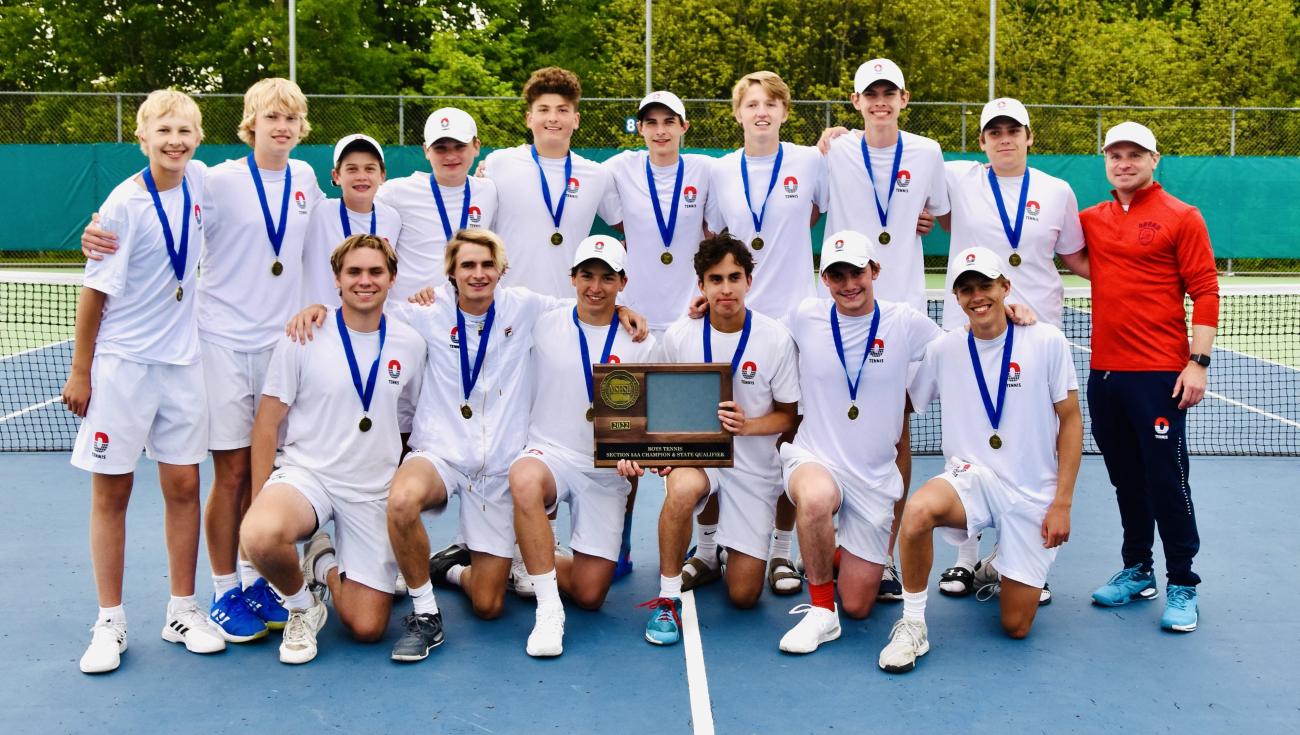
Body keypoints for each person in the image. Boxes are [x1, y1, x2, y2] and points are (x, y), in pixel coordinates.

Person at [298, 229, 642, 662]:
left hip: (498, 467)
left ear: (501, 270)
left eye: (486, 265)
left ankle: (452, 568)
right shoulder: (425, 312)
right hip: (440, 455)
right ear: (451, 273)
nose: (477, 274)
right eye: (467, 266)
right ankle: (425, 613)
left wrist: (625, 309)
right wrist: (321, 312)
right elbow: (364, 311)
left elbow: (591, 308)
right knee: (402, 499)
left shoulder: (528, 307)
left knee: (488, 604)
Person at [80, 79, 326, 641]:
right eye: (270, 117)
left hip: (283, 348)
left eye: (291, 118)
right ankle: (222, 592)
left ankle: (255, 575)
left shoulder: (307, 179)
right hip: (215, 344)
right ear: (250, 123)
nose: (281, 127)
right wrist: (98, 230)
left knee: (271, 473)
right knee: (232, 472)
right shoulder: (212, 179)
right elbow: (149, 196)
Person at [64, 89, 224, 673]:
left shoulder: (202, 181)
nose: (175, 141)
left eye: (184, 131)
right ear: (143, 138)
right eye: (164, 133)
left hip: (183, 365)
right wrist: (82, 369)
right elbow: (94, 293)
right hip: (123, 366)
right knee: (114, 492)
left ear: (198, 137)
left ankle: (182, 609)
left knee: (184, 487)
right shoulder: (122, 206)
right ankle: (110, 621)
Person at [880, 246, 1081, 672]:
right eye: (966, 289)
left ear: (1005, 287)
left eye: (985, 285)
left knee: (1016, 625)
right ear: (956, 298)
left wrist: (1062, 502)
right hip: (971, 479)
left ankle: (997, 563)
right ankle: (913, 624)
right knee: (917, 512)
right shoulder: (943, 349)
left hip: (1031, 492)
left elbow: (1071, 420)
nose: (977, 296)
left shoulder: (1046, 341)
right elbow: (901, 404)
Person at [241, 234, 425, 664]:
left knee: (367, 627)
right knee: (260, 535)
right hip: (308, 475)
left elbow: (415, 421)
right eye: (354, 272)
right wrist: (257, 500)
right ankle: (303, 607)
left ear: (392, 278)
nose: (365, 281)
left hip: (370, 489)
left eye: (375, 272)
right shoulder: (303, 334)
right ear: (337, 280)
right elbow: (267, 422)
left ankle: (321, 561)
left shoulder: (411, 343)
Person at [935, 97, 1087, 599]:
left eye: (1013, 130)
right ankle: (964, 558)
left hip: (1037, 332)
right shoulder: (958, 179)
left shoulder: (1057, 190)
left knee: (1033, 449)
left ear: (1029, 136)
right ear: (981, 141)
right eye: (993, 131)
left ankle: (1021, 561)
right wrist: (837, 137)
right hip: (975, 326)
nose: (1004, 138)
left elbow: (1076, 256)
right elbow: (905, 170)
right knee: (969, 440)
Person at [818, 58, 950, 602]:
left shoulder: (929, 152)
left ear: (904, 98)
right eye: (870, 94)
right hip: (841, 308)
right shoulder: (832, 150)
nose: (880, 102)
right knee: (826, 426)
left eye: (889, 93)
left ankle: (886, 553)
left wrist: (917, 217)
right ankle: (823, 542)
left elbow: (938, 212)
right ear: (854, 102)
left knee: (897, 431)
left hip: (902, 311)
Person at [629, 233, 800, 647]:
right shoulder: (681, 337)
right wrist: (663, 452)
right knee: (682, 489)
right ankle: (669, 597)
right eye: (716, 279)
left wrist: (747, 425)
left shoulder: (775, 338)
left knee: (743, 596)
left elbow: (789, 415)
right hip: (700, 459)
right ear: (701, 285)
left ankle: (721, 554)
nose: (726, 288)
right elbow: (664, 400)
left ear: (749, 281)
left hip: (753, 468)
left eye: (734, 277)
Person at [1080, 122, 1218, 633]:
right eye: (1114, 154)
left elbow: (1205, 290)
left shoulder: (1182, 216)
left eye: (1134, 154)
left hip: (1160, 374)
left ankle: (1183, 581)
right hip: (1105, 376)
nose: (1123, 162)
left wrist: (1197, 363)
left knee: (1166, 479)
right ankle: (1138, 568)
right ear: (1105, 161)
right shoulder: (1091, 219)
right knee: (1125, 480)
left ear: (1153, 158)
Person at [776, 230, 942, 654]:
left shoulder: (904, 321)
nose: (849, 284)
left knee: (858, 605)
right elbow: (756, 337)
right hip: (815, 457)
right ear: (825, 279)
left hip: (872, 476)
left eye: (857, 272)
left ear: (875, 271)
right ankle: (819, 613)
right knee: (814, 501)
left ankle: (831, 557)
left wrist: (1007, 313)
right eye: (837, 275)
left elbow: (959, 347)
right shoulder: (804, 316)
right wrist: (705, 311)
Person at [703, 70, 827, 595]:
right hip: (736, 318)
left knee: (787, 432)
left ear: (783, 112)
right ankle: (707, 547)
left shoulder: (811, 161)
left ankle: (781, 549)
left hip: (795, 318)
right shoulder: (718, 171)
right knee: (715, 423)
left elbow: (821, 210)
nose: (761, 111)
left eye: (771, 103)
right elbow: (715, 237)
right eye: (751, 103)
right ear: (737, 113)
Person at [509, 236, 660, 657]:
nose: (595, 287)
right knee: (524, 479)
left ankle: (516, 559)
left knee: (592, 595)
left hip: (605, 470)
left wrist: (638, 450)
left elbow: (650, 417)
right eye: (587, 275)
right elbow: (483, 292)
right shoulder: (542, 319)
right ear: (572, 277)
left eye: (607, 278)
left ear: (622, 282)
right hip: (549, 454)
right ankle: (548, 608)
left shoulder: (642, 341)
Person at [483, 67, 621, 297]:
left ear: (576, 120)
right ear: (529, 118)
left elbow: (632, 227)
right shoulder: (499, 163)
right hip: (508, 305)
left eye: (562, 110)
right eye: (544, 109)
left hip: (567, 307)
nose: (553, 118)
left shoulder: (596, 175)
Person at [376, 108, 498, 301]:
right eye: (440, 148)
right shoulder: (394, 193)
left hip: (468, 311)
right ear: (426, 151)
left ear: (476, 146)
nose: (450, 156)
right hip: (411, 312)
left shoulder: (490, 190)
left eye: (459, 146)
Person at [302, 134, 402, 308]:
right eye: (352, 169)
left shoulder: (392, 218)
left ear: (382, 175)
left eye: (370, 169)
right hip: (322, 324)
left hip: (371, 325)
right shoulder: (317, 212)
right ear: (336, 175)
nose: (361, 176)